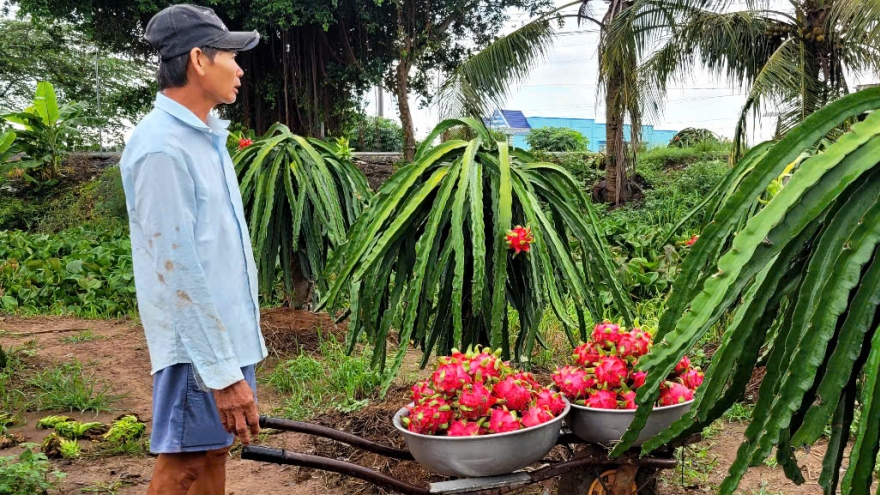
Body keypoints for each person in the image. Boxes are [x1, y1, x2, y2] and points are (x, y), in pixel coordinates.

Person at [119, 5, 267, 494]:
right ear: (200, 60)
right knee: (183, 463)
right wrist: (221, 374)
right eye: (232, 56)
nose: (241, 68)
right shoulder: (162, 147)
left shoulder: (206, 139)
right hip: (196, 346)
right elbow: (176, 268)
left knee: (210, 455)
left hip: (220, 336)